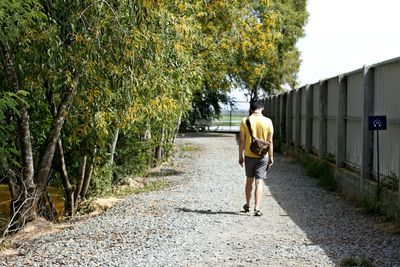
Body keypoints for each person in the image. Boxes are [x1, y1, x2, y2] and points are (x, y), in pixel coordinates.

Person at [238, 99, 274, 216]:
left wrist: (240, 156)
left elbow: (242, 140)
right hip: (263, 156)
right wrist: (271, 157)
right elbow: (270, 141)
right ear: (262, 108)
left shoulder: (245, 121)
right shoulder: (268, 121)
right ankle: (257, 208)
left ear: (251, 109)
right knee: (259, 182)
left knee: (249, 181)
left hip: (249, 155)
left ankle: (247, 205)